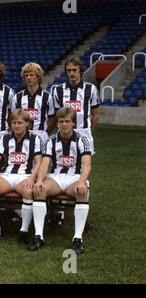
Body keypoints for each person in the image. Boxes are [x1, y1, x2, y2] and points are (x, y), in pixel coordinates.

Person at [30, 107, 92, 254]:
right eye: (61, 121)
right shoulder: (51, 141)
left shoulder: (82, 140)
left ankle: (77, 238)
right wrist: (39, 180)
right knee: (40, 189)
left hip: (75, 177)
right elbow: (45, 163)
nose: (64, 124)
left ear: (74, 123)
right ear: (57, 123)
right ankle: (39, 235)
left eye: (67, 121)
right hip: (57, 177)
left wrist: (82, 181)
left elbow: (87, 164)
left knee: (81, 192)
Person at [51, 56, 99, 225]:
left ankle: (82, 214)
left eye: (74, 70)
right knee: (62, 167)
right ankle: (60, 213)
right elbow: (56, 115)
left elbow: (95, 114)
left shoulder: (90, 89)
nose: (71, 73)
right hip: (63, 134)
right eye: (68, 70)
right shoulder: (57, 90)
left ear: (81, 70)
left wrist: (88, 134)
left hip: (83, 134)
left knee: (82, 171)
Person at [0, 109, 42, 245]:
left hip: (25, 176)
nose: (16, 126)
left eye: (20, 123)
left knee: (28, 191)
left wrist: (31, 178)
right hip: (7, 175)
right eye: (14, 123)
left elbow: (39, 161)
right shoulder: (4, 138)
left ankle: (24, 230)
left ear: (27, 123)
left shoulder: (35, 138)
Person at [12, 62, 55, 145]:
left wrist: (45, 133)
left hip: (41, 137)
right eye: (26, 75)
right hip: (22, 136)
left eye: (31, 75)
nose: (29, 78)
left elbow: (52, 119)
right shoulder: (18, 97)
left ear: (38, 77)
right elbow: (14, 118)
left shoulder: (47, 97)